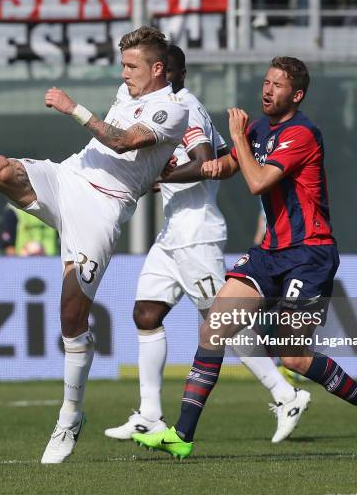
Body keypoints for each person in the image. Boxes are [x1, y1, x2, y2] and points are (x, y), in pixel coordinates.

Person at [0, 26, 189, 464]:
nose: (123, 73)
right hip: (69, 176)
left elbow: (125, 143)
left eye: (131, 66)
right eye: (123, 65)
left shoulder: (172, 109)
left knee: (71, 317)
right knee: (1, 169)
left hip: (100, 211)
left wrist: (73, 108)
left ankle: (70, 415)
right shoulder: (131, 92)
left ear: (158, 69)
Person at [133, 56, 357, 460]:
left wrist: (237, 136)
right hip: (270, 253)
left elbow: (257, 182)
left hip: (310, 255)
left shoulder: (302, 134)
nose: (267, 90)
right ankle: (182, 435)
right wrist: (165, 176)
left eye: (278, 85)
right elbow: (222, 168)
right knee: (213, 330)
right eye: (266, 82)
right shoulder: (256, 128)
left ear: (297, 94)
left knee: (294, 355)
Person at [105, 45, 310, 444]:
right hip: (173, 233)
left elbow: (202, 164)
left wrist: (160, 178)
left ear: (173, 74)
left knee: (222, 326)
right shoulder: (163, 106)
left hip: (196, 233)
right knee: (146, 314)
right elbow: (219, 159)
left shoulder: (185, 106)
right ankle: (149, 414)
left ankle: (286, 395)